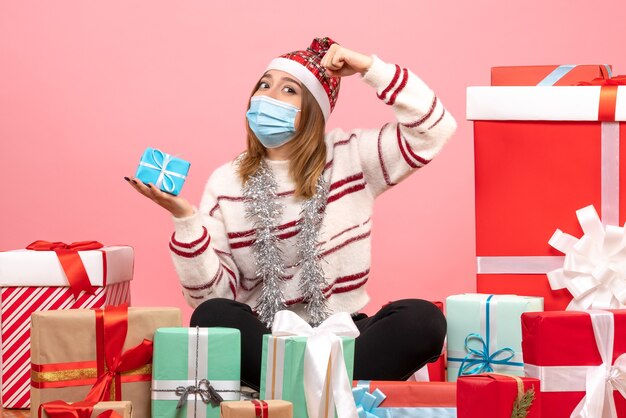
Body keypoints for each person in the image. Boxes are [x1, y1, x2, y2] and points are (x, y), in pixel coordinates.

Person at [126, 37, 457, 390]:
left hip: (345, 335)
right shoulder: (226, 181)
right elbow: (210, 296)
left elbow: (433, 130)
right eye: (264, 85)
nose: (268, 96)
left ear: (313, 108)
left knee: (424, 320)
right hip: (268, 336)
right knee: (212, 316)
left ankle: (292, 390)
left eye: (288, 90)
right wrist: (186, 219)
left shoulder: (352, 156)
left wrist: (368, 68)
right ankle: (330, 390)